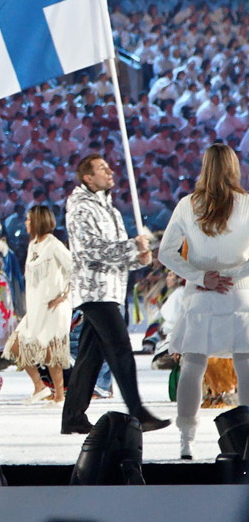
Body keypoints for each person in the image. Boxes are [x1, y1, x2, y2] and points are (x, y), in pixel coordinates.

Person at [61, 154, 170, 434]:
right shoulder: (80, 207)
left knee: (90, 357)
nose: (110, 171)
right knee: (120, 349)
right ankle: (138, 412)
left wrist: (140, 258)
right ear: (88, 177)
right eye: (102, 169)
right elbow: (91, 250)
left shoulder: (110, 208)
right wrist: (132, 247)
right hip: (94, 291)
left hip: (112, 289)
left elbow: (117, 253)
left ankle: (73, 416)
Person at [159, 144, 249, 459]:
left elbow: (165, 253)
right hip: (238, 296)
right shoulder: (246, 204)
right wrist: (233, 274)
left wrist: (201, 278)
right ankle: (246, 439)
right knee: (245, 365)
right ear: (233, 168)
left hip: (200, 296)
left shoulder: (187, 205)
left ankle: (186, 442)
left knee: (192, 366)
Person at [2, 205, 72, 404]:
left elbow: (75, 268)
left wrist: (65, 294)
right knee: (16, 346)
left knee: (52, 352)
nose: (25, 223)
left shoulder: (54, 245)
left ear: (38, 221)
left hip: (54, 307)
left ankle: (59, 396)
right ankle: (40, 387)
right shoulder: (33, 244)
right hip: (35, 308)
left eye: (28, 219)